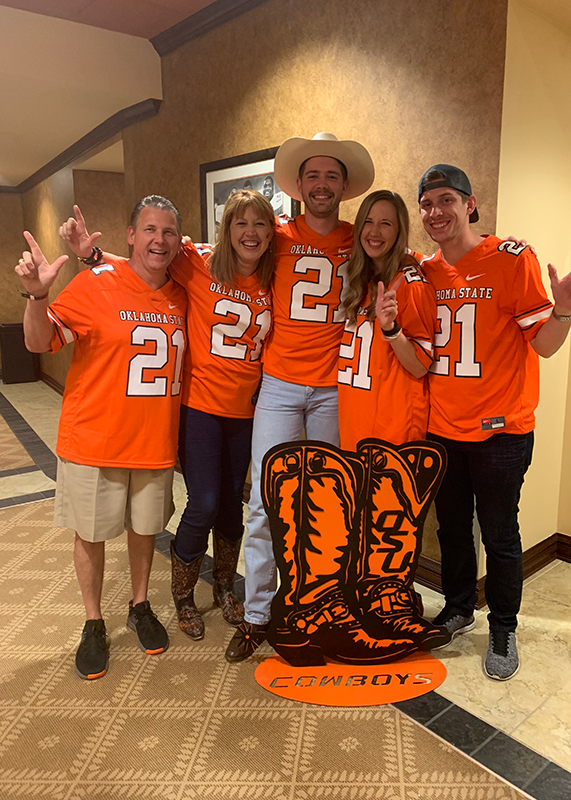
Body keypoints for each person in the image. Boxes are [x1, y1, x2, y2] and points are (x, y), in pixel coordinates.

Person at [59, 190, 276, 642]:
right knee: (204, 503)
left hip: (247, 411)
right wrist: (93, 256)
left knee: (234, 507)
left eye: (259, 224)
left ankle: (223, 586)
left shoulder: (279, 277)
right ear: (225, 230)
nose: (250, 233)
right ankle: (181, 593)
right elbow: (144, 258)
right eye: (240, 223)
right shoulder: (197, 262)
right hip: (198, 405)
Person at [417, 164, 571, 680]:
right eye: (427, 203)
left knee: (499, 533)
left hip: (501, 430)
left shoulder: (510, 259)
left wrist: (562, 311)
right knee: (451, 528)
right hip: (443, 427)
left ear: (470, 204)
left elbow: (540, 345)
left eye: (447, 200)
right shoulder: (425, 272)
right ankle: (456, 609)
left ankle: (503, 626)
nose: (436, 212)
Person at [15, 195, 187, 680]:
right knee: (90, 534)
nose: (160, 240)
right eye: (149, 230)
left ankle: (138, 605)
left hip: (154, 442)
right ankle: (93, 621)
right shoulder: (95, 284)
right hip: (94, 439)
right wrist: (35, 295)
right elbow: (38, 341)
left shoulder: (182, 291)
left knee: (145, 530)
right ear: (130, 235)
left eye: (169, 231)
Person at [225, 132, 375, 663]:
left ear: (344, 185)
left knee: (330, 505)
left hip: (336, 389)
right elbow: (208, 254)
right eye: (312, 175)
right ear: (299, 183)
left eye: (331, 176)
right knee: (265, 501)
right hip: (281, 387)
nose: (321, 184)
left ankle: (321, 607)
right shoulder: (276, 236)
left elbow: (408, 259)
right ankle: (257, 614)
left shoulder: (361, 238)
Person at [338, 189, 435, 449]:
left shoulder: (410, 284)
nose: (375, 232)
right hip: (355, 424)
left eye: (385, 224)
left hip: (393, 431)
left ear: (399, 231)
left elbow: (419, 366)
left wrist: (391, 329)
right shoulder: (359, 280)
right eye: (368, 222)